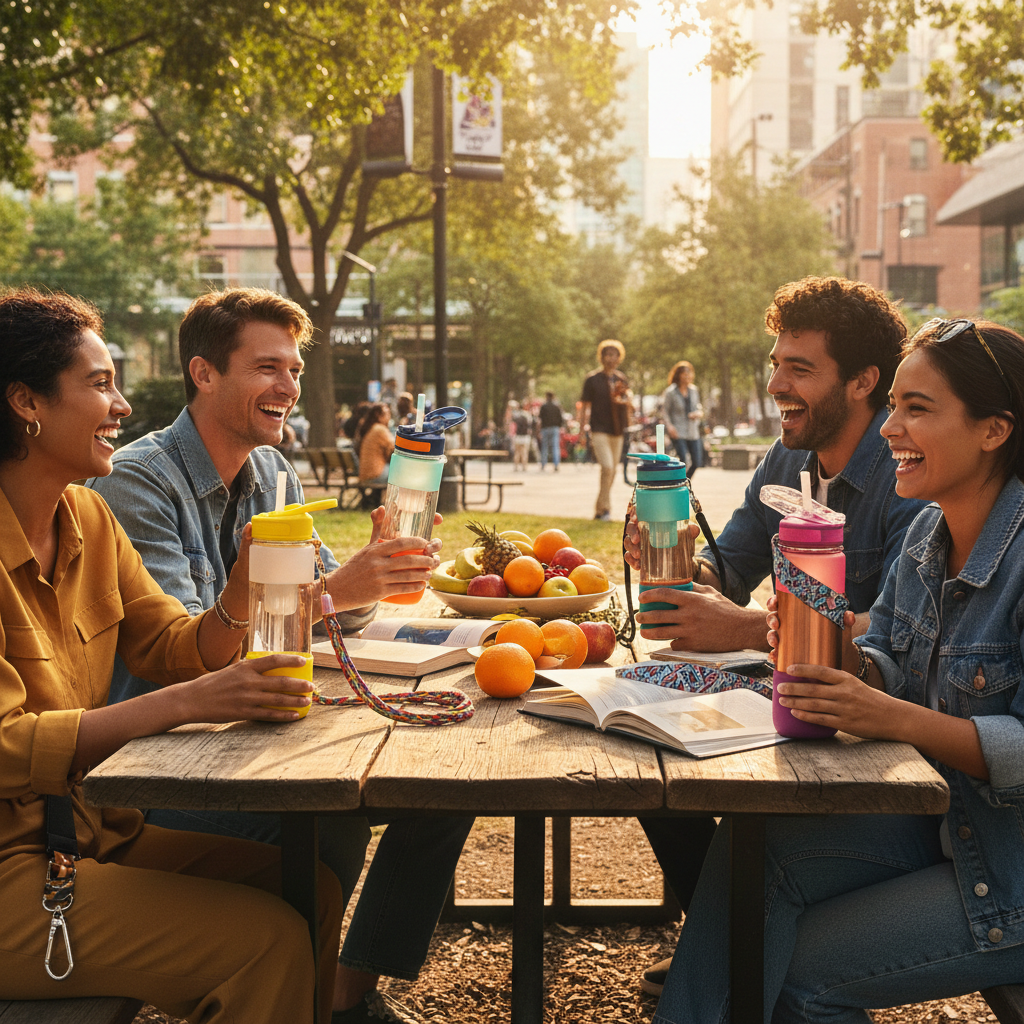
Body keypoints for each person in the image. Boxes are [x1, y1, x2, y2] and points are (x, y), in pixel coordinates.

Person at [88, 289, 473, 1024]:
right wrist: (339, 589)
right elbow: (194, 648)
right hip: (168, 761)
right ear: (204, 374)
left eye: (293, 370)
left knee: (442, 789)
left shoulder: (273, 475)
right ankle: (299, 994)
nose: (289, 388)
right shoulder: (137, 481)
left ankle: (344, 990)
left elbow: (330, 606)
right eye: (268, 367)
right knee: (334, 822)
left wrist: (374, 569)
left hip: (263, 729)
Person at [654, 316, 1024, 1024]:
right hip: (946, 821)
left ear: (993, 430)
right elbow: (882, 656)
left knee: (796, 973)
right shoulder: (928, 532)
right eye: (894, 406)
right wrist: (830, 643)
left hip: (1007, 867)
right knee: (750, 854)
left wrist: (888, 714)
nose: (890, 429)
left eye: (917, 408)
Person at [0, 288, 344, 1023]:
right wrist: (189, 703)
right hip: (13, 872)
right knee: (266, 941)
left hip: (91, 831)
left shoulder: (84, 513)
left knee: (308, 887)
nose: (122, 407)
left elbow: (174, 646)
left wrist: (243, 590)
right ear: (26, 403)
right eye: (100, 385)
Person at [628, 276, 928, 997]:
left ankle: (731, 950)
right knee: (644, 749)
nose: (776, 384)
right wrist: (666, 558)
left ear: (863, 382)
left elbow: (894, 632)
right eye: (775, 363)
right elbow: (725, 566)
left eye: (799, 368)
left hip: (875, 725)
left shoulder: (907, 479)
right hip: (794, 694)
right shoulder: (785, 459)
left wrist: (742, 628)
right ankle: (723, 938)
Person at [580, 339, 631, 519]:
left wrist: (626, 403)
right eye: (607, 354)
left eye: (614, 355)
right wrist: (581, 431)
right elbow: (584, 406)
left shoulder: (621, 379)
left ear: (619, 358)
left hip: (617, 430)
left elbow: (627, 404)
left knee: (613, 470)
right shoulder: (592, 379)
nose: (611, 358)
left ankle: (599, 508)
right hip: (598, 429)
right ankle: (606, 508)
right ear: (601, 357)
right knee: (607, 467)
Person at [662, 360, 704, 478]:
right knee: (683, 460)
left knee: (696, 462)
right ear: (678, 375)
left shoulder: (694, 390)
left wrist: (698, 413)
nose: (687, 376)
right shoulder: (671, 392)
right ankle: (679, 485)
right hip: (678, 430)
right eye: (684, 373)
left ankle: (684, 483)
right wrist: (669, 427)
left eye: (689, 373)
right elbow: (665, 411)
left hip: (692, 431)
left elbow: (698, 407)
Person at [356, 401, 394, 489]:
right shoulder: (380, 429)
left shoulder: (370, 428)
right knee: (401, 474)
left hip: (365, 474)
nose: (389, 417)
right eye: (387, 413)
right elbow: (394, 448)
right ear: (378, 414)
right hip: (376, 474)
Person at [538, 391, 564, 471]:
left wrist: (539, 430)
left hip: (545, 428)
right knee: (555, 447)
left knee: (544, 447)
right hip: (555, 428)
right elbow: (560, 418)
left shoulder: (544, 406)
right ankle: (556, 464)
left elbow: (540, 419)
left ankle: (543, 464)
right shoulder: (557, 406)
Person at [509, 399, 532, 471]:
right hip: (525, 436)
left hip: (518, 436)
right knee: (524, 452)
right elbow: (530, 426)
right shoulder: (528, 415)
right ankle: (524, 467)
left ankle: (515, 466)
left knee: (517, 453)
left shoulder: (516, 415)